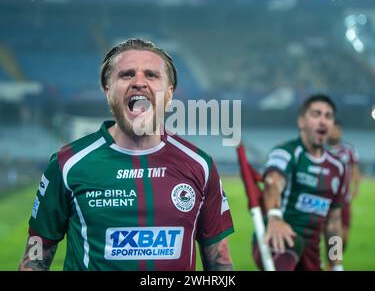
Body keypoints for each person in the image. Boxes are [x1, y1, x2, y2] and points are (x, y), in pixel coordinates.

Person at [19, 38, 234, 271]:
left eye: (151, 75)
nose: (139, 82)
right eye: (126, 74)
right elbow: (35, 257)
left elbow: (220, 263)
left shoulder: (200, 165)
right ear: (108, 90)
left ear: (170, 93)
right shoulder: (67, 164)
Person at [253, 94, 346, 271]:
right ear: (301, 122)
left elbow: (333, 222)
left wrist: (336, 266)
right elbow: (273, 182)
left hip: (311, 253)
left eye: (328, 116)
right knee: (289, 245)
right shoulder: (286, 153)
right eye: (316, 114)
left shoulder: (338, 168)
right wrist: (274, 217)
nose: (323, 121)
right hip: (279, 237)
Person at [327, 120, 361, 251]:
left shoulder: (348, 149)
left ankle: (334, 261)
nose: (334, 132)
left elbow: (355, 169)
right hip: (326, 199)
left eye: (337, 129)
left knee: (344, 236)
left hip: (343, 199)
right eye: (332, 129)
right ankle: (332, 265)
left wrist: (356, 188)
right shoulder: (321, 149)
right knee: (327, 235)